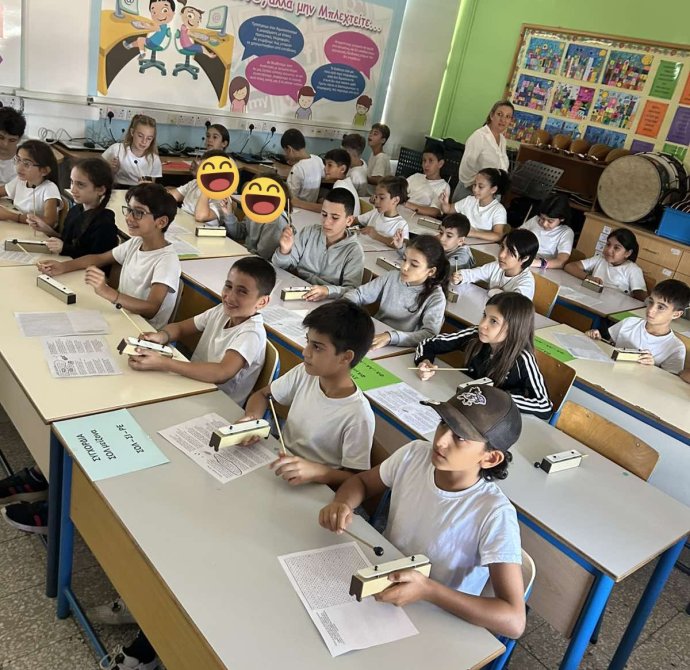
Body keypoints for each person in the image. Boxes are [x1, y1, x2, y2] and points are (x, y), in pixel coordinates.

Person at [318, 385, 526, 640]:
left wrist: (427, 590)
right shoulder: (414, 455)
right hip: (383, 587)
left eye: (460, 437)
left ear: (490, 458)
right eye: (443, 423)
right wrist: (342, 503)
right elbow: (361, 482)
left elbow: (514, 620)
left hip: (436, 619)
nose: (441, 440)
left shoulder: (494, 513)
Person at [243, 300, 376, 486]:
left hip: (315, 487)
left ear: (346, 357)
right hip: (280, 467)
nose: (305, 352)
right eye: (308, 342)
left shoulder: (358, 415)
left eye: (317, 347)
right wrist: (252, 419)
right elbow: (263, 395)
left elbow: (357, 480)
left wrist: (318, 472)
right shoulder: (305, 373)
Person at [129, 256, 277, 405]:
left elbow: (221, 372)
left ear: (262, 302)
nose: (230, 296)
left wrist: (164, 363)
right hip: (192, 385)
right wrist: (161, 336)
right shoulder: (221, 311)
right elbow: (181, 328)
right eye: (228, 286)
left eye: (242, 292)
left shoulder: (252, 334)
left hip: (216, 404)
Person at [37, 184, 181, 330]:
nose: (129, 217)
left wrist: (107, 292)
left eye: (138, 213)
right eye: (129, 210)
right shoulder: (136, 243)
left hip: (142, 330)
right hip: (121, 313)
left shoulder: (167, 261)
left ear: (161, 222)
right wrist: (63, 266)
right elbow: (98, 258)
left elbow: (151, 309)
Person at [415, 293, 552, 418]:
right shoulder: (474, 335)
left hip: (491, 420)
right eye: (484, 315)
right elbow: (428, 343)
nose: (482, 325)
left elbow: (544, 405)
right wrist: (425, 362)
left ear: (514, 328)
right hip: (463, 406)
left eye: (493, 321)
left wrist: (498, 397)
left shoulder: (523, 359)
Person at [343, 235, 449, 349]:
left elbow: (429, 334)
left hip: (403, 347)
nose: (404, 267)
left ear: (431, 271)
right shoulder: (392, 277)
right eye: (404, 259)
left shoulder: (436, 297)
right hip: (377, 336)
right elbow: (359, 294)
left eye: (414, 265)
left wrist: (391, 337)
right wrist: (345, 306)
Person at [272, 188, 364, 300]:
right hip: (296, 292)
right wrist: (284, 251)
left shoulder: (354, 251)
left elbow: (352, 291)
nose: (326, 222)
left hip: (326, 302)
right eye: (324, 214)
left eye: (335, 217)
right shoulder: (309, 232)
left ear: (349, 220)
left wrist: (328, 291)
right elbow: (280, 267)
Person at [586, 279, 690, 374]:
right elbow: (609, 346)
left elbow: (668, 382)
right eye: (651, 302)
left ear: (676, 314)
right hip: (608, 374)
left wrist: (653, 368)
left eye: (661, 307)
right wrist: (598, 339)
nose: (651, 310)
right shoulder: (629, 322)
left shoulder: (675, 348)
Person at [28, 157, 118, 258]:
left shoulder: (104, 224)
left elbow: (97, 260)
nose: (73, 189)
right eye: (72, 182)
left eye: (80, 185)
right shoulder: (75, 210)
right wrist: (47, 230)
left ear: (100, 190)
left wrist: (64, 248)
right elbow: (66, 241)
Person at [452, 229, 538, 299]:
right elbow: (475, 274)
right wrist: (461, 276)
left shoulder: (526, 284)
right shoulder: (497, 266)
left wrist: (493, 292)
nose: (501, 255)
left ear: (525, 258)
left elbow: (512, 306)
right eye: (502, 247)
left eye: (510, 252)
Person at [565, 228, 647, 300]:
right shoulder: (600, 259)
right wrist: (588, 277)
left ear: (628, 253)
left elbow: (642, 297)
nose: (609, 250)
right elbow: (569, 266)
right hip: (592, 299)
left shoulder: (633, 270)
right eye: (608, 244)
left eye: (616, 248)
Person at [455, 99, 514, 199]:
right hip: (470, 194)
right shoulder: (479, 136)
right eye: (500, 114)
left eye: (508, 117)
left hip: (490, 196)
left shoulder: (502, 140)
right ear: (491, 115)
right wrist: (479, 191)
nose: (503, 120)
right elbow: (465, 170)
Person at [224, 176, 291, 260]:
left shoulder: (276, 222)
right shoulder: (255, 209)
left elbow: (262, 256)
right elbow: (239, 233)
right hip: (246, 255)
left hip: (258, 262)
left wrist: (235, 250)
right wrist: (228, 214)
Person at [0, 139, 62, 228]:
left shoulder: (49, 188)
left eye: (27, 164)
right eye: (18, 160)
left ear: (44, 170)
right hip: (19, 227)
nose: (19, 167)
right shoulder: (20, 181)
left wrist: (9, 215)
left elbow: (49, 221)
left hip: (36, 234)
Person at [440, 167, 509, 242]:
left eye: (480, 187)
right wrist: (444, 203)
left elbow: (497, 236)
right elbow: (448, 209)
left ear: (493, 189)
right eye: (474, 185)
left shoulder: (498, 210)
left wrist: (470, 233)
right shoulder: (469, 200)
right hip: (461, 241)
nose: (475, 189)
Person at [167, 149, 226, 224]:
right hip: (183, 224)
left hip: (200, 229)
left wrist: (207, 187)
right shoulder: (195, 183)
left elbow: (200, 217)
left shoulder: (222, 196)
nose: (200, 172)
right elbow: (171, 196)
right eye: (200, 167)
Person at [102, 114, 163, 186]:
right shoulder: (117, 149)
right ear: (132, 132)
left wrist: (145, 185)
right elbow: (99, 175)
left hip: (140, 191)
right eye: (140, 136)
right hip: (117, 189)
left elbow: (151, 186)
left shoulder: (154, 159)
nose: (144, 141)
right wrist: (111, 170)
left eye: (149, 138)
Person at [523, 193, 574, 270]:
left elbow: (561, 262)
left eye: (550, 221)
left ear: (562, 219)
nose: (544, 224)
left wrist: (535, 262)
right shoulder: (535, 220)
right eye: (542, 218)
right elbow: (515, 236)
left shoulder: (566, 232)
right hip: (524, 261)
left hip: (543, 269)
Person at [355, 176, 409, 247]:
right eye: (376, 197)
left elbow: (402, 245)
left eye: (382, 198)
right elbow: (355, 220)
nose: (376, 201)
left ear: (395, 200)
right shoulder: (375, 213)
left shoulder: (401, 224)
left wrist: (376, 236)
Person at [405, 142, 450, 218]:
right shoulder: (416, 176)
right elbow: (399, 190)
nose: (426, 165)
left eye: (430, 161)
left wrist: (407, 204)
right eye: (424, 160)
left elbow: (435, 211)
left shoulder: (443, 186)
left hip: (417, 218)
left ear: (440, 164)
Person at [281, 128, 324, 202]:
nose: (286, 155)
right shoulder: (318, 159)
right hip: (311, 204)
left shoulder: (297, 169)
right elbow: (323, 175)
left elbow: (290, 197)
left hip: (298, 207)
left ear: (290, 149)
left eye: (285, 151)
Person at [0, 106, 26, 185]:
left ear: (19, 139)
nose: (5, 144)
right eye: (1, 137)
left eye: (12, 140)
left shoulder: (27, 159)